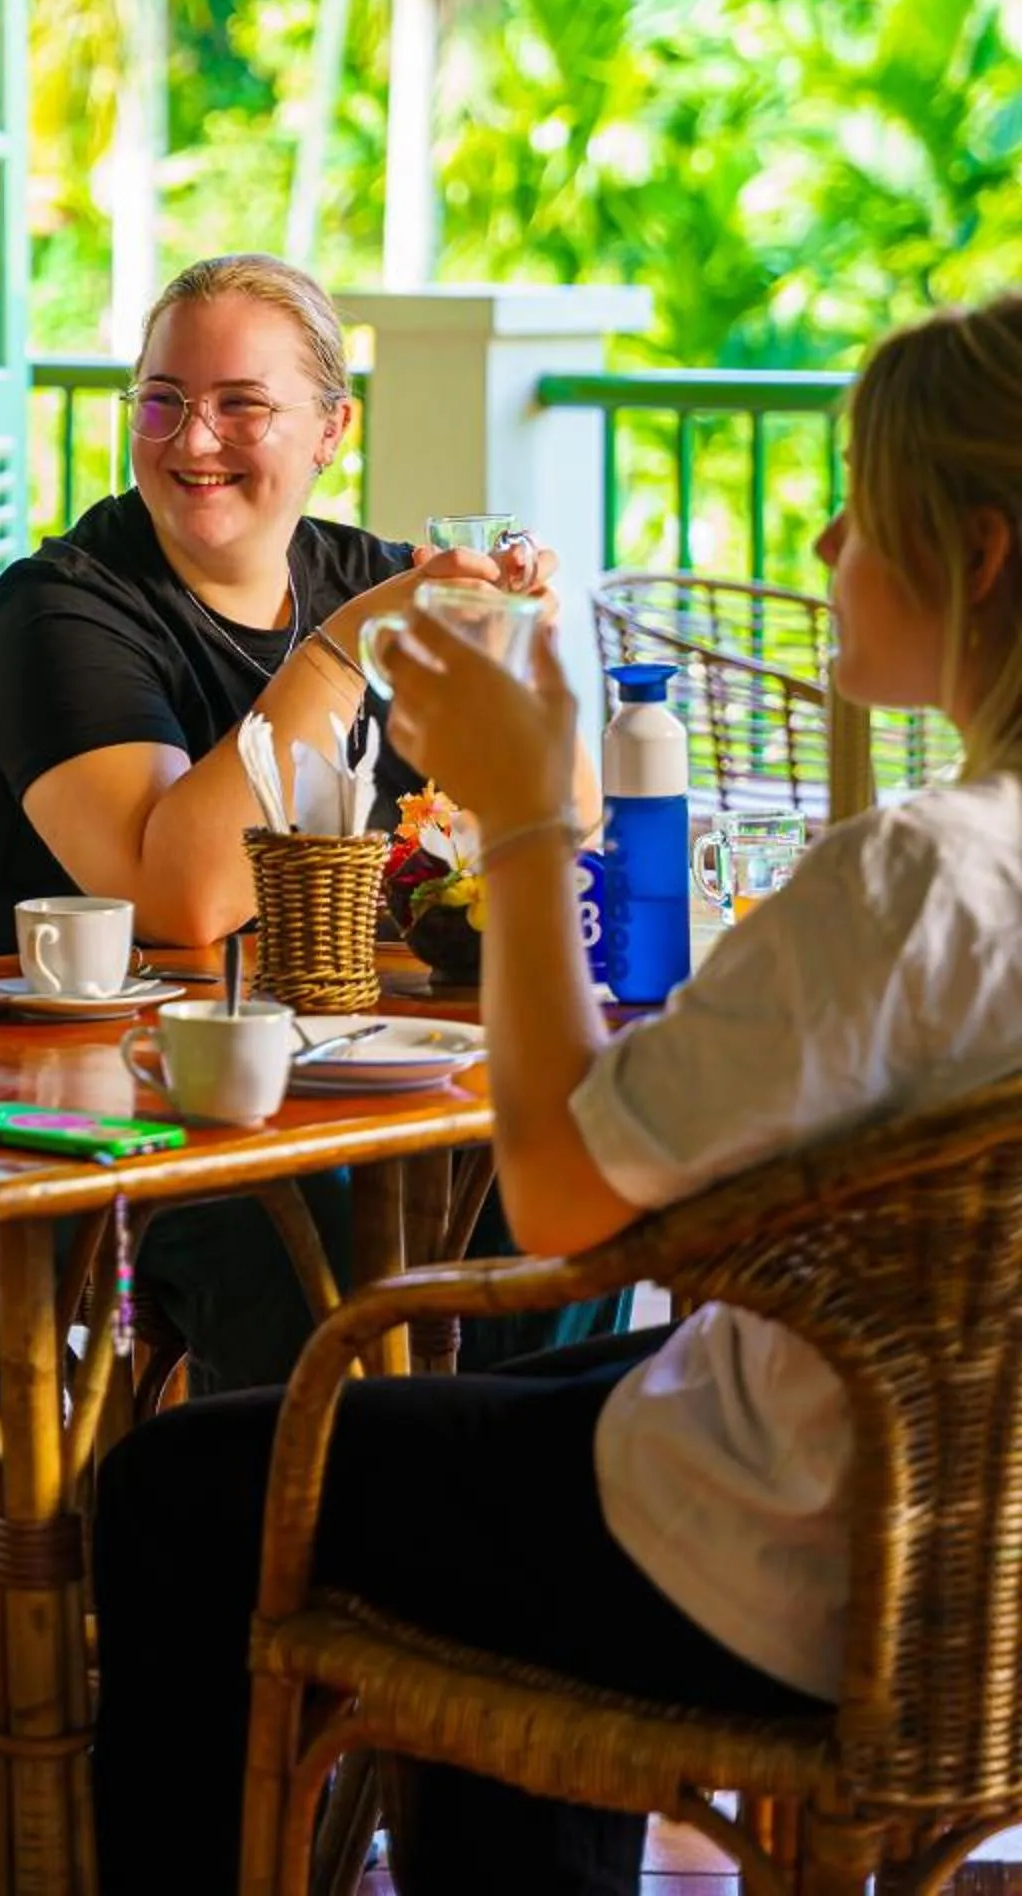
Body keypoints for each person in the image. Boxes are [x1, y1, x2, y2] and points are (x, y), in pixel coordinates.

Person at [91, 290, 1022, 1896]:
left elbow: (567, 1194)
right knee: (478, 1413)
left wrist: (525, 823)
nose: (818, 541)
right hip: (973, 1551)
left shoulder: (922, 878)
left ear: (981, 553)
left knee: (180, 1485)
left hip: (794, 1556)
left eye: (861, 507)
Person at [0, 249, 594, 1391]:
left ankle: (480, 1517)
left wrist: (519, 662)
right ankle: (267, 1547)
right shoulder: (60, 609)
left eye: (240, 407)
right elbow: (177, 902)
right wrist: (343, 652)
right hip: (87, 1118)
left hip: (324, 1078)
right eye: (163, 402)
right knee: (312, 1232)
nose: (191, 441)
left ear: (331, 430)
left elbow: (559, 832)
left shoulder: (365, 578)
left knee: (565, 1169)